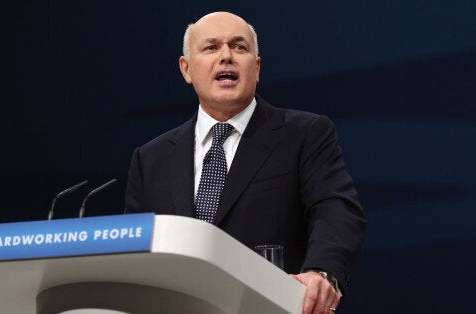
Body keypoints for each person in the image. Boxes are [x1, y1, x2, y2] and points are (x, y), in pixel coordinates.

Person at [125, 11, 367, 314]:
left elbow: (336, 209)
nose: (226, 56)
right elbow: (135, 253)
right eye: (211, 47)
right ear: (186, 69)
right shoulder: (151, 158)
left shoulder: (304, 134)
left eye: (239, 47)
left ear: (257, 67)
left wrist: (322, 272)